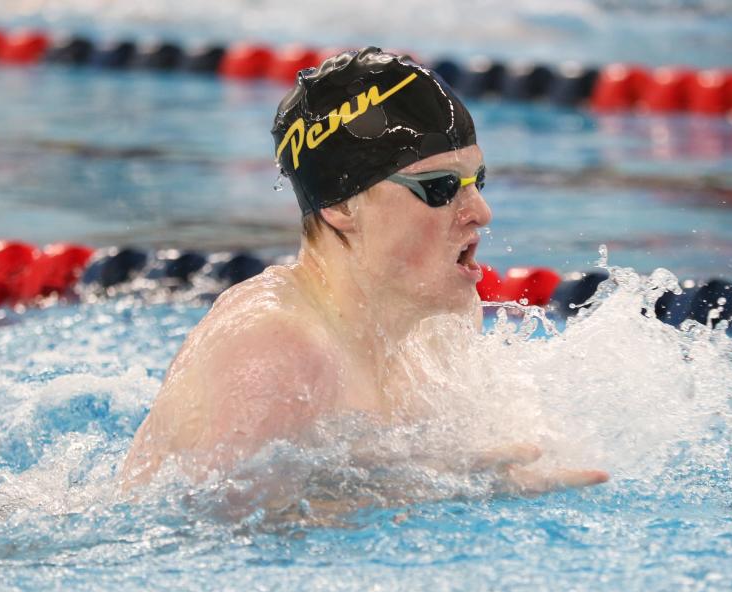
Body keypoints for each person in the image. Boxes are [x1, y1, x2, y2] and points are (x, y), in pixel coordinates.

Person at [120, 47, 607, 507]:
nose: (480, 211)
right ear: (339, 206)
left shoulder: (431, 326)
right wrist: (425, 492)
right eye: (438, 188)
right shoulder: (273, 349)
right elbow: (206, 530)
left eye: (475, 181)